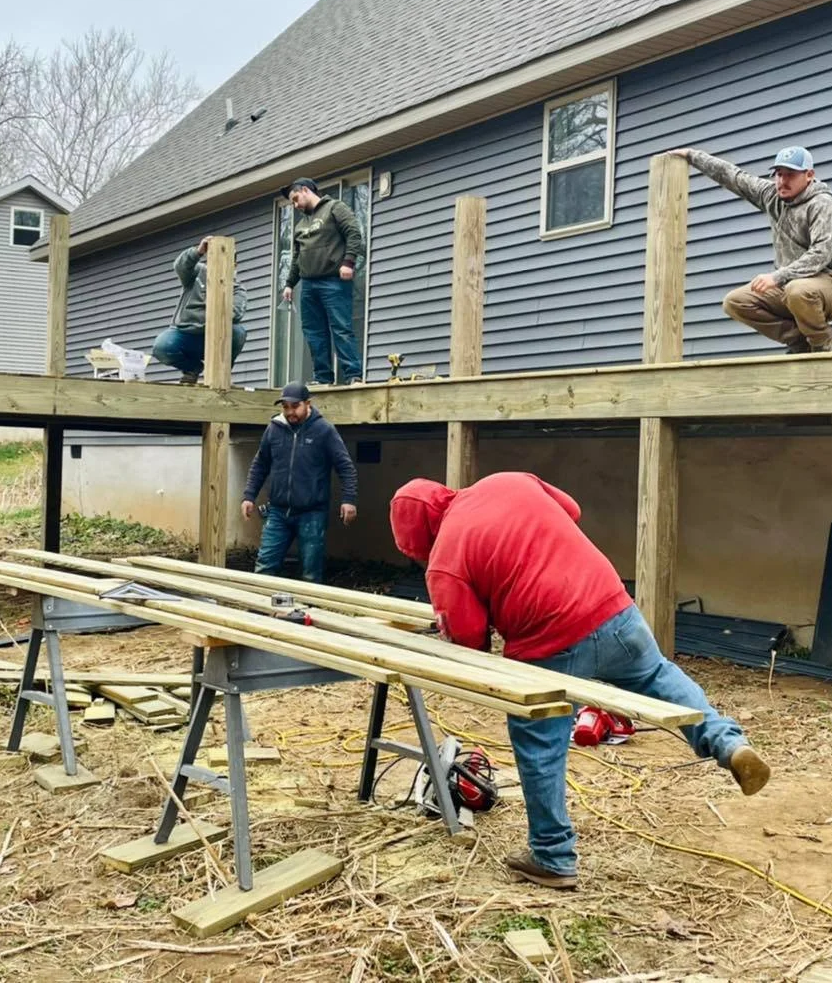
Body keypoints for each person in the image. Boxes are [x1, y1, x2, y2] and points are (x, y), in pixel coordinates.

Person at [389, 472, 770, 891]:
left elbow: (468, 639)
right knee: (658, 675)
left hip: (549, 638)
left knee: (539, 742)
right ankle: (728, 743)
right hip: (611, 604)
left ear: (419, 539)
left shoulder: (445, 557)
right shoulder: (506, 482)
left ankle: (552, 856)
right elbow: (570, 510)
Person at [673, 145, 832, 353]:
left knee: (798, 290)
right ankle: (799, 341)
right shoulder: (771, 195)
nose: (782, 181)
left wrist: (777, 277)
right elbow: (733, 176)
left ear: (809, 175)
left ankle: (822, 341)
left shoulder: (822, 204)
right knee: (736, 302)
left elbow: (820, 254)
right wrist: (692, 156)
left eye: (790, 175)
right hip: (791, 285)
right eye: (779, 174)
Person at [241, 382, 358, 583]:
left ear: (308, 404)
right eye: (285, 407)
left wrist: (349, 499)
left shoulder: (324, 430)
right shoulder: (274, 429)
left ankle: (307, 611)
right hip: (277, 511)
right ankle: (258, 610)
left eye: (295, 406)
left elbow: (345, 467)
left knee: (310, 573)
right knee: (265, 565)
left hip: (311, 512)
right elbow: (260, 464)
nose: (290, 412)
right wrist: (249, 496)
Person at [282, 177, 365, 385]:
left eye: (295, 199)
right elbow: (296, 258)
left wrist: (348, 262)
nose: (295, 205)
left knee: (341, 328)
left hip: (333, 281)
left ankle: (353, 374)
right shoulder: (301, 226)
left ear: (305, 190)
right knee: (314, 333)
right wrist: (289, 284)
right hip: (309, 285)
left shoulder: (334, 207)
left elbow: (354, 233)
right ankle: (323, 377)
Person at [151, 236, 249, 383]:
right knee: (162, 346)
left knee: (238, 333)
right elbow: (180, 266)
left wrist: (217, 300)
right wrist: (198, 252)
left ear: (234, 265)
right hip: (186, 333)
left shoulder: (237, 289)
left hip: (216, 336)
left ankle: (222, 375)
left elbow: (235, 313)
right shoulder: (198, 273)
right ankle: (192, 368)